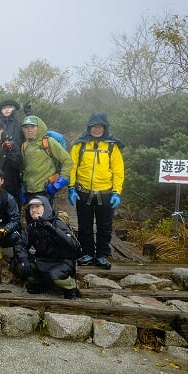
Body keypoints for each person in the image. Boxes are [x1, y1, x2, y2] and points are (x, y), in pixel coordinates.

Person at [68, 112, 125, 270]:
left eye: (100, 126)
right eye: (94, 126)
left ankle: (102, 255)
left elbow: (118, 171)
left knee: (104, 226)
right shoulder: (80, 145)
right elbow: (72, 167)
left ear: (105, 128)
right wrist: (71, 188)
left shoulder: (112, 146)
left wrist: (117, 192)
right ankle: (87, 254)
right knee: (84, 225)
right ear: (89, 127)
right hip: (83, 191)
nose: (97, 129)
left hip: (106, 193)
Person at [13, 196, 81, 299]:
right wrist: (23, 259)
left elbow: (73, 246)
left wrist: (54, 230)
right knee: (18, 264)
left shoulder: (58, 223)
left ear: (46, 207)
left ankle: (70, 286)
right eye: (31, 208)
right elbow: (20, 244)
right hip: (42, 260)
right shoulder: (32, 226)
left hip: (62, 261)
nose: (34, 210)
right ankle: (39, 283)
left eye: (37, 206)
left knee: (55, 275)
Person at [20, 115, 73, 206]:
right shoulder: (24, 146)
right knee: (31, 218)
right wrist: (23, 188)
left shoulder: (49, 142)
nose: (29, 130)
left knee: (46, 218)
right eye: (26, 127)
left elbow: (67, 160)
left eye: (32, 127)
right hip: (30, 192)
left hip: (46, 190)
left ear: (39, 127)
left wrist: (60, 181)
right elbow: (25, 169)